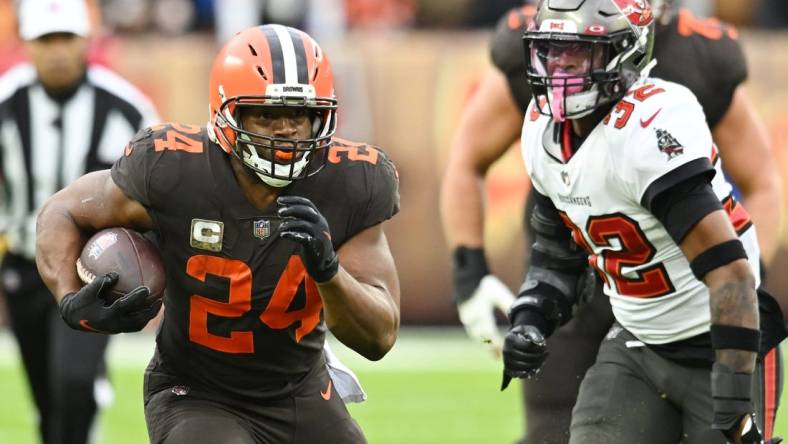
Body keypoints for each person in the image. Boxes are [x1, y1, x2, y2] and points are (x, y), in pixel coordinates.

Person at [35, 24, 400, 444]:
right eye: (265, 114)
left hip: (300, 388)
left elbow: (380, 336)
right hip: (198, 391)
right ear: (227, 113)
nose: (285, 130)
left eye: (299, 114)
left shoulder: (351, 180)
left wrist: (329, 272)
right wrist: (68, 297)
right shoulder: (172, 168)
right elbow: (62, 210)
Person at [439, 0, 783, 442]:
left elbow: (731, 272)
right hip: (639, 338)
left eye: (579, 54)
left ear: (625, 54)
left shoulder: (649, 131)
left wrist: (736, 406)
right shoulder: (541, 128)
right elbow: (557, 254)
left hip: (714, 340)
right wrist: (530, 318)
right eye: (553, 51)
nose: (562, 68)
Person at [0, 0, 159, 442]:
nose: (56, 51)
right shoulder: (6, 102)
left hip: (96, 273)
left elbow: (161, 185)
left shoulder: (127, 109)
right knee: (47, 397)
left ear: (86, 40)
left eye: (65, 38)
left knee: (71, 384)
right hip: (25, 266)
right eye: (45, 40)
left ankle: (87, 389)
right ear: (27, 45)